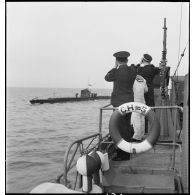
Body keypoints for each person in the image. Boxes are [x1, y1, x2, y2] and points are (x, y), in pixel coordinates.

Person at [105, 51, 137, 160]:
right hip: (129, 102)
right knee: (126, 127)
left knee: (119, 129)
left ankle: (123, 155)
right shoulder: (132, 71)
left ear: (117, 60)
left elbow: (106, 77)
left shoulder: (115, 72)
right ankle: (127, 151)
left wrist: (115, 67)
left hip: (118, 104)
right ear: (127, 60)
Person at [136, 54, 160, 133]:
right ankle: (150, 130)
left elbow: (137, 67)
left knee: (140, 111)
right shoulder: (153, 69)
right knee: (150, 110)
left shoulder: (139, 69)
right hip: (149, 92)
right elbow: (159, 70)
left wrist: (140, 63)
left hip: (141, 92)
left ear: (143, 59)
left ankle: (142, 131)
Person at [131, 75, 148, 142]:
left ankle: (137, 137)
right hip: (142, 102)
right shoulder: (144, 80)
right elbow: (146, 90)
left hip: (135, 101)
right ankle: (141, 135)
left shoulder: (133, 80)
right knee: (142, 119)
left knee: (136, 119)